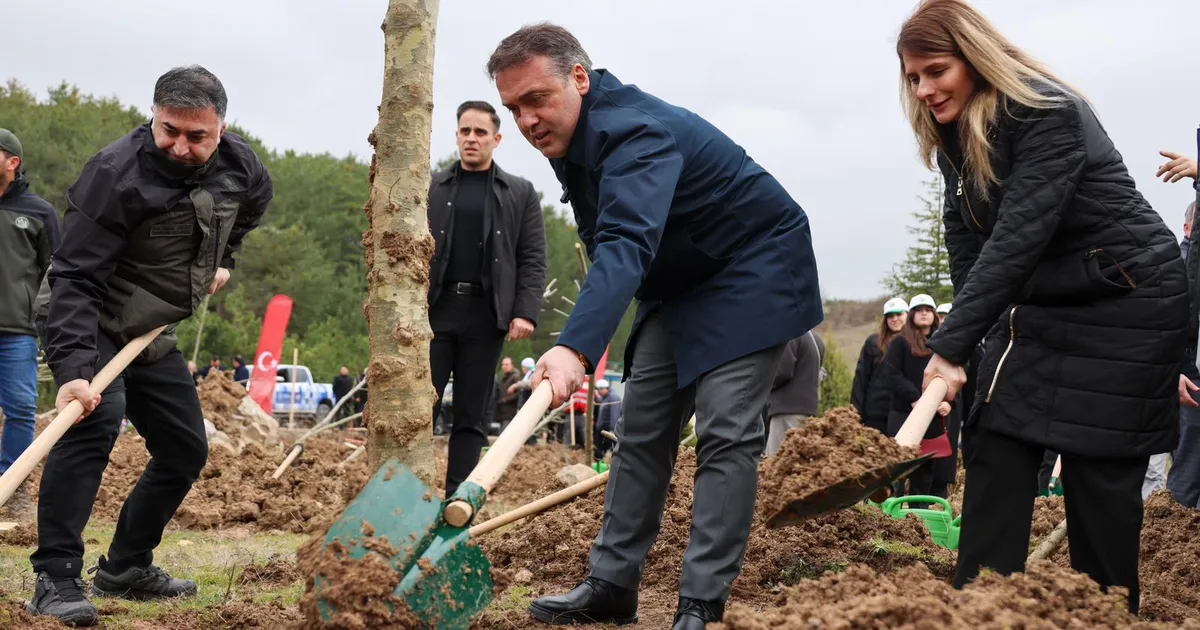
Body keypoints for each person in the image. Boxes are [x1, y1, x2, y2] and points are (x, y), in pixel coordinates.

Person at [488, 24, 822, 629]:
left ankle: (699, 604)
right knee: (641, 426)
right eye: (514, 108)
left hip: (753, 268)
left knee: (726, 430)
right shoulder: (572, 140)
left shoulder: (634, 132)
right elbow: (608, 241)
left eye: (536, 99)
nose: (527, 121)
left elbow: (625, 242)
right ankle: (612, 584)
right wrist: (594, 326)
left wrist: (574, 346)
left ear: (579, 79)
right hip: (680, 279)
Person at [900, 1, 1189, 614]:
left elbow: (1018, 238)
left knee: (1097, 479)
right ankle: (980, 614)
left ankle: (1103, 617)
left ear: (974, 58)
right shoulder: (956, 143)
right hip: (1042, 307)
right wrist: (965, 351)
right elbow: (969, 253)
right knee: (995, 445)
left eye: (936, 71)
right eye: (913, 78)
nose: (923, 90)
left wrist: (949, 344)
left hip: (1126, 304)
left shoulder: (1045, 111)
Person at [30, 65, 272, 625]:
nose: (181, 147)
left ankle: (126, 567)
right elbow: (75, 277)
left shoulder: (241, 167)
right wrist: (74, 370)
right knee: (93, 421)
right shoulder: (113, 175)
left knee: (184, 446)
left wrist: (224, 259)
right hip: (89, 316)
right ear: (154, 117)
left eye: (197, 136)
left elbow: (249, 209)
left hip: (151, 328)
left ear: (222, 128)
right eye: (169, 131)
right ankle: (55, 578)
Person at [426, 100, 548, 496]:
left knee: (471, 416)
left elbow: (532, 258)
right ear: (456, 135)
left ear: (496, 139)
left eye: (480, 132)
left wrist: (525, 311)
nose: (472, 138)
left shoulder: (520, 193)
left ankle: (456, 503)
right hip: (434, 313)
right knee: (419, 409)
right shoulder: (431, 188)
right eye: (465, 131)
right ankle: (410, 497)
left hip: (486, 315)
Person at [0, 128, 60, 526]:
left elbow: (57, 272)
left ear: (12, 161)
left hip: (17, 331)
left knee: (21, 409)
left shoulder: (39, 213)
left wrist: (46, 321)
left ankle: (13, 486)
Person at [1158, 144, 1200, 508]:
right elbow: (1172, 316)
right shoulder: (1181, 263)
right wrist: (1178, 366)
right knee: (1186, 470)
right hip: (1193, 377)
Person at [882, 295, 953, 499]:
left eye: (928, 310)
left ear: (934, 315)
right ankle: (892, 510)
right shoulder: (900, 342)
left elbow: (952, 374)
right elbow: (892, 373)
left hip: (932, 418)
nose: (924, 313)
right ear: (912, 314)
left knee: (924, 472)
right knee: (898, 467)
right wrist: (914, 398)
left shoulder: (944, 342)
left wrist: (948, 401)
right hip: (903, 414)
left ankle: (918, 513)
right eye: (919, 310)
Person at [851, 297, 907, 434]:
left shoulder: (917, 343)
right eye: (890, 316)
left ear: (907, 315)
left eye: (899, 314)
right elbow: (861, 379)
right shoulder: (873, 342)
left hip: (905, 414)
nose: (895, 319)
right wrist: (855, 412)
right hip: (876, 414)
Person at [764, 331, 825, 457]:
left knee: (776, 460)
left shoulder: (791, 334)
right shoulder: (815, 339)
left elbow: (782, 371)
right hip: (808, 411)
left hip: (786, 409)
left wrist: (761, 385)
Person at [593, 378, 622, 459]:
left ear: (605, 388)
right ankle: (599, 462)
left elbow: (614, 414)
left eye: (600, 389)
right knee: (597, 450)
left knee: (606, 450)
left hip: (608, 430)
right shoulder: (604, 397)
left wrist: (612, 429)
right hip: (601, 429)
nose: (598, 392)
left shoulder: (613, 397)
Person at [496, 357, 523, 431]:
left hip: (510, 412)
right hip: (502, 412)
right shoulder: (504, 377)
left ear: (512, 365)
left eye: (507, 364)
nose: (504, 366)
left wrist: (505, 400)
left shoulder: (515, 377)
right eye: (503, 364)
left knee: (505, 433)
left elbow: (519, 394)